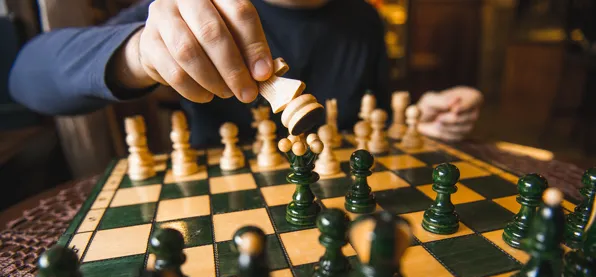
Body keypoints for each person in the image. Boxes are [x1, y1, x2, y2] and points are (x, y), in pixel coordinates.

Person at [9, 0, 482, 146]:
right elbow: (25, 76)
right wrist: (139, 53)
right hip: (225, 219)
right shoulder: (202, 6)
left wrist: (419, 118)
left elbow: (368, 115)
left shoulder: (363, 18)